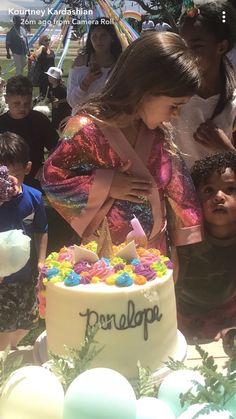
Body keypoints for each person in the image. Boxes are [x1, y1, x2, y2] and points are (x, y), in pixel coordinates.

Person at [42, 32, 203, 261]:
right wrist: (105, 184)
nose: (176, 115)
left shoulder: (160, 137)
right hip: (102, 257)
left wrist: (177, 249)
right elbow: (52, 180)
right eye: (174, 105)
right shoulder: (87, 128)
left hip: (155, 253)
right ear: (143, 88)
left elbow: (180, 190)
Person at [176, 151, 236, 341]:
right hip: (186, 315)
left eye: (230, 188)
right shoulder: (187, 239)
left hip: (229, 312)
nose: (219, 196)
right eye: (208, 190)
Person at [173, 1, 236, 168]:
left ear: (221, 47)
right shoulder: (169, 97)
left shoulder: (233, 105)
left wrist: (225, 149)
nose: (187, 54)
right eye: (182, 45)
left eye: (196, 46)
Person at [0, 132, 48, 350]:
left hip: (25, 275)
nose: (8, 180)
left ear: (27, 168)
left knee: (30, 321)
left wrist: (41, 260)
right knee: (3, 327)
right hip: (1, 280)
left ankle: (10, 347)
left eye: (14, 172)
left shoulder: (34, 197)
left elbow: (41, 230)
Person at [0, 75, 59, 191]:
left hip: (35, 178)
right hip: (7, 179)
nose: (22, 108)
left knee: (32, 206)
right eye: (17, 103)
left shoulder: (40, 120)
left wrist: (47, 167)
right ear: (6, 99)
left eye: (26, 103)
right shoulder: (1, 123)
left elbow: (56, 147)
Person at [66, 17, 123, 114]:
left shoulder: (120, 64)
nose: (98, 40)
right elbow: (72, 102)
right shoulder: (80, 63)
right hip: (81, 122)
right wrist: (86, 82)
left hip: (108, 121)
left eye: (103, 36)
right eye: (94, 36)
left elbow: (124, 100)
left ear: (112, 38)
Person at [45, 66, 71, 130]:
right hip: (55, 111)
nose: (49, 78)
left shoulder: (62, 88)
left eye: (51, 77)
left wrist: (59, 101)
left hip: (63, 111)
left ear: (56, 78)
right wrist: (47, 101)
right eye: (48, 76)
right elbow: (50, 98)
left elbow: (68, 99)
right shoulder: (51, 87)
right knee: (55, 125)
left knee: (62, 126)